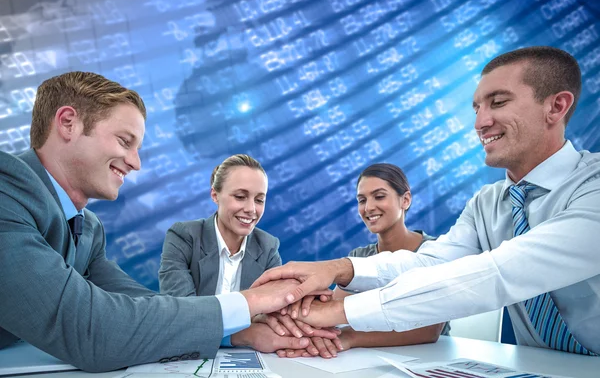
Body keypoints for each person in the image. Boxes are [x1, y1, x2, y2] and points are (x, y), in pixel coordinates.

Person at [252, 46, 600, 356]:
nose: (480, 122)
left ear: (556, 106)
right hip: (544, 366)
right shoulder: (486, 203)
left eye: (498, 102)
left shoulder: (594, 186)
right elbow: (430, 264)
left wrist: (337, 313)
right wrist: (337, 269)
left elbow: (500, 273)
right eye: (476, 107)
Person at [0, 72, 329, 372]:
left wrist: (238, 334)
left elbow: (140, 305)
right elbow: (91, 331)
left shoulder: (88, 228)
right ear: (68, 122)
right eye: (125, 141)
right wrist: (249, 302)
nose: (136, 162)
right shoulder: (5, 189)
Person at [278, 163, 449, 358]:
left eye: (379, 196)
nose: (368, 208)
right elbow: (331, 313)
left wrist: (351, 338)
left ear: (406, 200)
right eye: (362, 200)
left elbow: (429, 329)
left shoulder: (435, 252)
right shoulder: (358, 258)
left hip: (431, 358)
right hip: (369, 359)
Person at [159, 154, 281, 297]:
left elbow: (274, 310)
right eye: (240, 197)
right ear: (215, 195)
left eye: (259, 200)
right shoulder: (184, 237)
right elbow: (182, 310)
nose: (251, 209)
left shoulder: (268, 248)